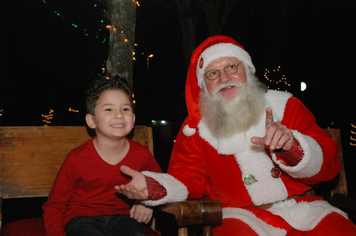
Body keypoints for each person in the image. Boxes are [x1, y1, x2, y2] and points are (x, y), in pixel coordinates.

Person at [115, 36, 356, 235]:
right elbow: (187, 178)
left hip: (305, 208)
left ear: (247, 70)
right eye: (212, 73)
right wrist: (153, 186)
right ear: (203, 85)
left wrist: (293, 146)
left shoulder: (285, 105)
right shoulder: (196, 129)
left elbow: (330, 165)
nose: (223, 78)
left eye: (231, 66)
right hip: (241, 218)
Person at [42, 76, 162, 236]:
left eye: (125, 109)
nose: (119, 115)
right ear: (91, 121)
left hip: (123, 218)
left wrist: (146, 203)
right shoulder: (77, 158)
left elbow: (162, 184)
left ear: (133, 119)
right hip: (82, 218)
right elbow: (54, 205)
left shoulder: (141, 155)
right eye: (108, 109)